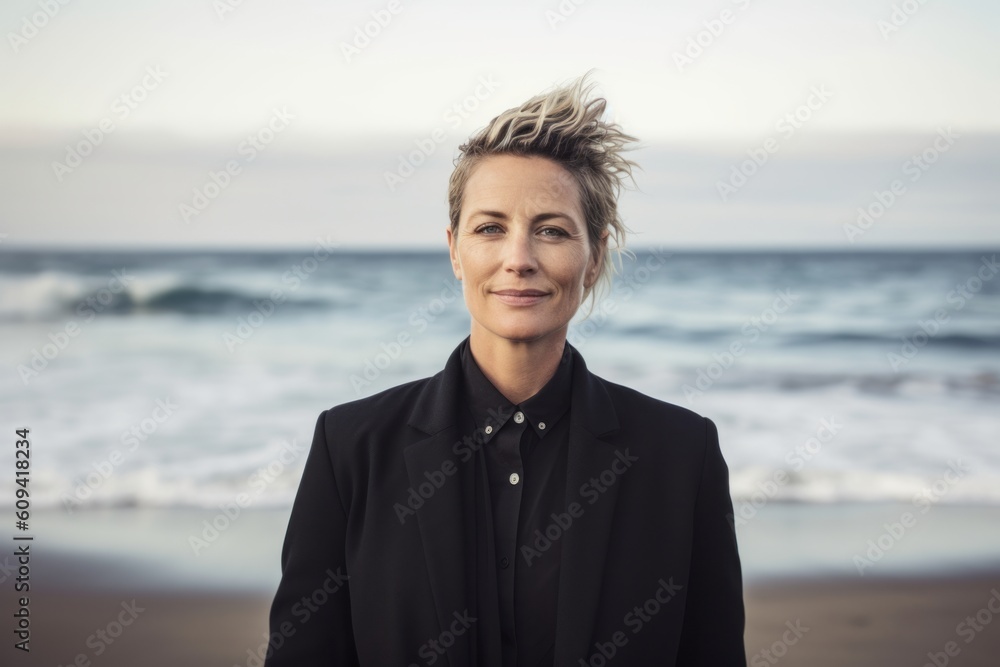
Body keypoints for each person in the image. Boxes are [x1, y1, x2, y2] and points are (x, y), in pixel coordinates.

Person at [264, 74, 746, 666]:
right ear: (454, 251)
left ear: (593, 258)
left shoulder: (681, 454)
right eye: (490, 228)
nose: (518, 259)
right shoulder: (350, 448)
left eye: (551, 230)